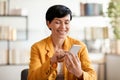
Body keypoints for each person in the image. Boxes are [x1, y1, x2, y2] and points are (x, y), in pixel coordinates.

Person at [28, 5, 97, 80]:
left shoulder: (80, 46)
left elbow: (93, 77)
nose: (63, 27)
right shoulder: (37, 47)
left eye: (66, 22)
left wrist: (79, 73)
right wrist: (51, 61)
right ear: (48, 23)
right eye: (58, 22)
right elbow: (32, 78)